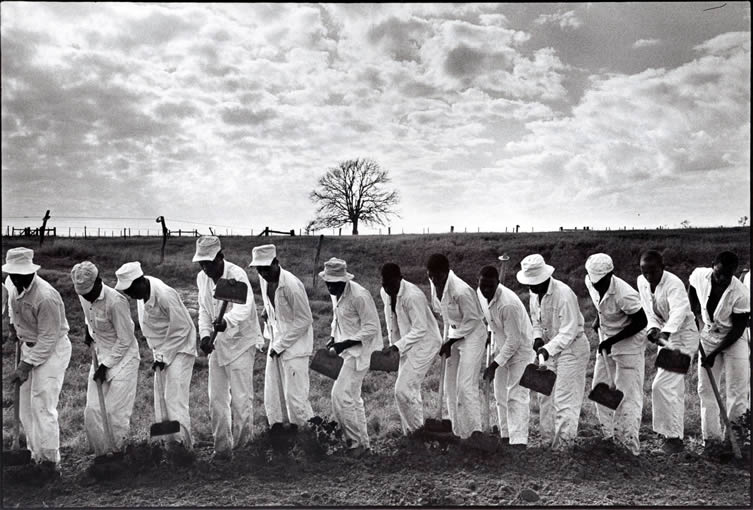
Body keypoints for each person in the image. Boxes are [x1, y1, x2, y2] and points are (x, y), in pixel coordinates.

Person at [116, 261, 197, 459]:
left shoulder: (164, 295)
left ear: (140, 281)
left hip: (180, 348)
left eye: (130, 290)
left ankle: (184, 450)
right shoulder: (141, 292)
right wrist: (159, 355)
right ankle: (169, 446)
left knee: (174, 398)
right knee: (161, 401)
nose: (129, 295)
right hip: (161, 350)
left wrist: (163, 356)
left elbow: (182, 329)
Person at [4, 248, 72, 480]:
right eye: (12, 274)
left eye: (20, 275)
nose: (15, 279)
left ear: (31, 272)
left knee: (42, 404)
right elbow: (12, 308)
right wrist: (14, 327)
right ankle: (35, 456)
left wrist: (25, 366)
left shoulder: (46, 296)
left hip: (52, 350)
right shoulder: (11, 284)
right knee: (25, 407)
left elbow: (48, 339)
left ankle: (51, 463)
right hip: (27, 345)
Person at [194, 236, 261, 461]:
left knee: (242, 399)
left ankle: (244, 450)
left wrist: (227, 321)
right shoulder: (201, 279)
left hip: (241, 342)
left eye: (209, 263)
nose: (205, 268)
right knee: (216, 399)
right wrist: (204, 335)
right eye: (201, 264)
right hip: (218, 345)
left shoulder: (236, 275)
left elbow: (245, 308)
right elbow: (204, 310)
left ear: (220, 257)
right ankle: (221, 449)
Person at [517, 254, 590, 449]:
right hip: (548, 349)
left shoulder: (564, 295)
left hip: (571, 349)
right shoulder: (534, 295)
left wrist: (546, 349)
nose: (531, 287)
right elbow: (537, 322)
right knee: (545, 398)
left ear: (545, 277)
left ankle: (563, 449)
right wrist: (538, 337)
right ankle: (547, 443)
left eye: (535, 282)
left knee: (565, 399)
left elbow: (568, 331)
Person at [71, 261, 140, 463]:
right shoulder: (84, 294)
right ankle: (102, 457)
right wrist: (87, 331)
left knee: (114, 413)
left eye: (89, 293)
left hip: (124, 359)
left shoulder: (116, 302)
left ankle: (117, 456)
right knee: (92, 411)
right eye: (82, 293)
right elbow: (88, 316)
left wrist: (106, 365)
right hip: (100, 355)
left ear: (99, 282)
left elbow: (126, 339)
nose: (86, 297)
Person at [584, 254, 648, 456]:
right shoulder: (590, 281)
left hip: (629, 344)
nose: (597, 286)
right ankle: (608, 440)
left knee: (628, 396)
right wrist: (598, 320)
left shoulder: (625, 294)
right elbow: (600, 305)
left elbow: (641, 322)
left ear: (610, 275)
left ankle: (628, 447)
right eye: (594, 281)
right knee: (600, 389)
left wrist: (611, 341)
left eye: (601, 282)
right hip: (608, 341)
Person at [637, 250, 699, 454]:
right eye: (644, 271)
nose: (648, 276)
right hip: (667, 337)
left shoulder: (673, 284)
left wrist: (664, 332)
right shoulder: (642, 282)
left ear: (662, 267)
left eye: (652, 271)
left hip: (683, 336)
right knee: (668, 387)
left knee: (663, 385)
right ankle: (671, 437)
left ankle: (673, 440)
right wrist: (652, 328)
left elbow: (679, 313)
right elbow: (648, 310)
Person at [688, 251, 750, 452]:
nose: (722, 279)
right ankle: (712, 442)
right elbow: (692, 286)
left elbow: (739, 329)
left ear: (734, 272)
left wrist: (714, 354)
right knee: (705, 390)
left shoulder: (741, 293)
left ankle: (735, 442)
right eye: (718, 273)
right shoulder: (700, 275)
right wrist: (693, 311)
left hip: (734, 338)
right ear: (712, 265)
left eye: (727, 275)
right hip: (708, 334)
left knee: (737, 390)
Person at [248, 244, 315, 428]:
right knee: (273, 393)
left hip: (296, 347)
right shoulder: (264, 280)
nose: (263, 273)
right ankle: (282, 433)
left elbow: (305, 320)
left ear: (276, 262)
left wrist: (280, 345)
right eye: (259, 270)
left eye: (266, 269)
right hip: (277, 339)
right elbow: (275, 305)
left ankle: (308, 435)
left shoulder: (292, 286)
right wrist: (267, 310)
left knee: (295, 397)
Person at [319, 258, 381, 455]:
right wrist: (332, 338)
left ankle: (354, 444)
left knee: (340, 395)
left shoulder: (359, 295)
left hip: (359, 353)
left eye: (333, 283)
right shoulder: (336, 294)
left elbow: (371, 327)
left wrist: (344, 343)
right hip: (345, 352)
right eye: (327, 283)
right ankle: (364, 445)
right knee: (354, 399)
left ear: (344, 280)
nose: (330, 287)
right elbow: (338, 318)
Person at [426, 253, 486, 439]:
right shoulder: (435, 284)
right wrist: (449, 339)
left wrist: (451, 341)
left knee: (465, 386)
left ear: (446, 272)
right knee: (449, 387)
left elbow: (474, 320)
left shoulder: (461, 290)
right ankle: (457, 433)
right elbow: (442, 312)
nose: (435, 280)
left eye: (438, 276)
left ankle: (475, 432)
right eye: (431, 276)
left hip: (473, 334)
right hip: (454, 332)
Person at [380, 263, 442, 435]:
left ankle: (417, 433)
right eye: (384, 285)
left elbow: (420, 329)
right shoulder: (385, 292)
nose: (388, 289)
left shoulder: (412, 296)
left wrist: (396, 347)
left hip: (426, 343)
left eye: (391, 285)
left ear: (400, 279)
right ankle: (412, 433)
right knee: (408, 390)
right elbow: (391, 322)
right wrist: (393, 349)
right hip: (406, 344)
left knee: (403, 389)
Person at [477, 265, 534, 449]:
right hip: (502, 345)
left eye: (490, 286)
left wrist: (494, 365)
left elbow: (514, 341)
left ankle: (519, 442)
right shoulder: (481, 294)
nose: (485, 290)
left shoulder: (507, 304)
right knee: (500, 393)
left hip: (521, 349)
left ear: (497, 283)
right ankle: (505, 436)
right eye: (482, 285)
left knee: (516, 395)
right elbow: (490, 319)